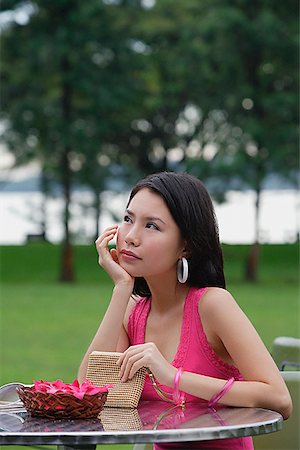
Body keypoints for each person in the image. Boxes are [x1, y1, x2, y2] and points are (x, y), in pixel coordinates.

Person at [78, 171, 292, 450]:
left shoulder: (213, 305)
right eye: (128, 219)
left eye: (151, 226)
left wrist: (173, 377)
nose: (130, 236)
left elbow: (279, 398)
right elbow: (87, 391)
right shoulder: (131, 311)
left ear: (186, 246)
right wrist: (121, 289)